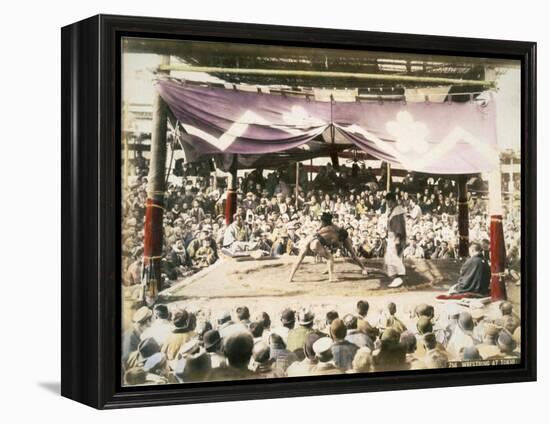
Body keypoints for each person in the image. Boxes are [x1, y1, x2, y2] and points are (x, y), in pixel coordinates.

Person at [288, 212, 368, 283]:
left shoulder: (333, 228)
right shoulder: (322, 226)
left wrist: (338, 244)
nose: (321, 222)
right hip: (320, 241)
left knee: (352, 254)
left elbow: (339, 239)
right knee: (328, 256)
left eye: (322, 221)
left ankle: (363, 268)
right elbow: (317, 234)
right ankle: (330, 276)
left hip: (342, 238)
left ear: (326, 221)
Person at [384, 192, 407, 288]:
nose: (387, 204)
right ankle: (395, 276)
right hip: (392, 236)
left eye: (387, 202)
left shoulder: (397, 211)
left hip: (396, 237)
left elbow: (399, 227)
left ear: (391, 201)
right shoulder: (394, 210)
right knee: (390, 257)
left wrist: (397, 239)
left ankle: (400, 276)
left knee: (395, 257)